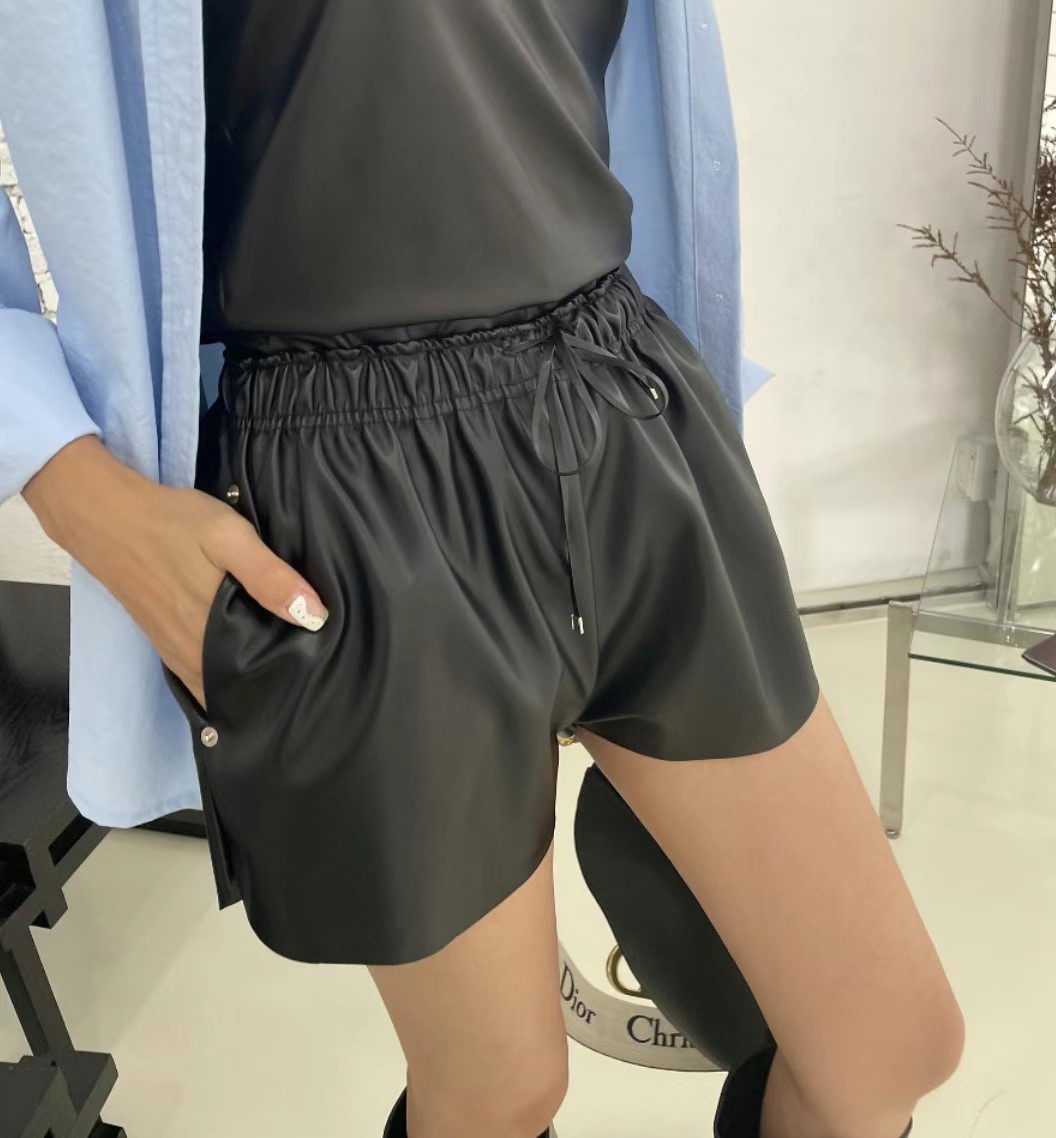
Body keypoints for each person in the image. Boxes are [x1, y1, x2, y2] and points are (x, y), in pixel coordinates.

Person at [1, 3, 963, 1136]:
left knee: (887, 1045)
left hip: (624, 396)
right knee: (499, 1092)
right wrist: (79, 490)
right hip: (348, 474)